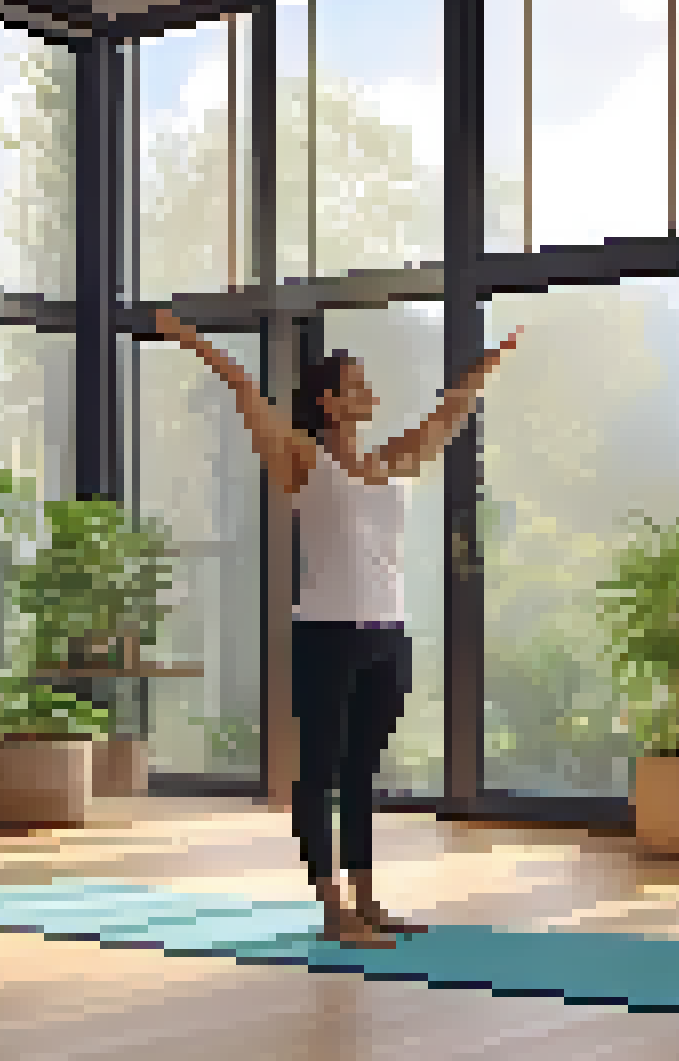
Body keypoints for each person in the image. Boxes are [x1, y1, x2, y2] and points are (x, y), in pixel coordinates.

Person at [153, 307, 522, 948]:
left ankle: (367, 900)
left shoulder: (390, 460)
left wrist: (486, 367)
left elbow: (447, 417)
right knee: (318, 770)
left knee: (362, 772)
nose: (367, 389)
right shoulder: (303, 459)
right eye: (355, 382)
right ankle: (331, 907)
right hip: (325, 634)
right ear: (328, 402)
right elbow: (244, 388)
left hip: (388, 634)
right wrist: (190, 339)